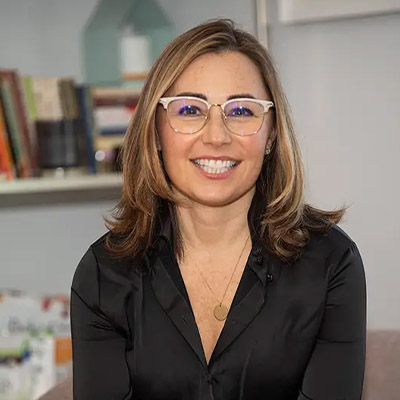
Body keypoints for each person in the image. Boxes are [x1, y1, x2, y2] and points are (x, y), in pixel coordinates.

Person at [70, 19, 367, 400]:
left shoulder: (331, 264)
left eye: (241, 111)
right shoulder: (103, 276)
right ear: (156, 131)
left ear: (272, 134)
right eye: (189, 109)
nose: (216, 135)